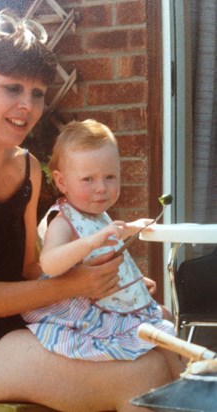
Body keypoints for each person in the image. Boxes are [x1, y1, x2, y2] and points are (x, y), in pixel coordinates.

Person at [0, 9, 181, 412]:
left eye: (37, 93)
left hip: (22, 318)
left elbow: (29, 269)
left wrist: (109, 283)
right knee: (144, 377)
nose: (28, 105)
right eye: (12, 88)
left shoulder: (25, 165)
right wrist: (75, 287)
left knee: (161, 343)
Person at [23, 119, 185, 368]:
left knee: (163, 317)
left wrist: (132, 232)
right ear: (62, 182)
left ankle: (179, 387)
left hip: (106, 298)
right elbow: (50, 263)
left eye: (110, 177)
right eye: (88, 179)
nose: (101, 188)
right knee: (160, 335)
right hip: (85, 309)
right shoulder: (63, 219)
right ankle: (180, 389)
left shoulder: (96, 215)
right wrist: (91, 241)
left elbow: (110, 241)